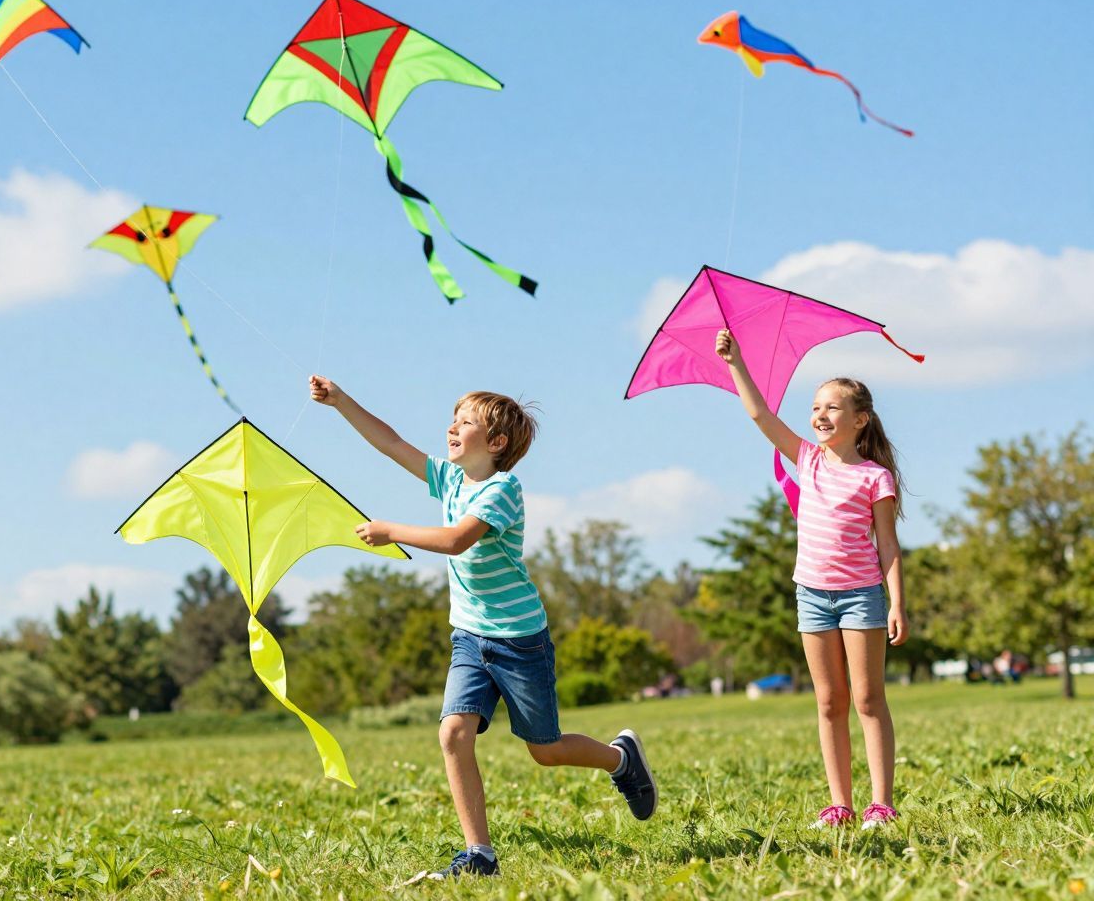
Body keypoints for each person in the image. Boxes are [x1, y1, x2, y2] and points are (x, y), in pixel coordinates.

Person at [309, 377, 657, 879]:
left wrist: (391, 531)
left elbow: (457, 540)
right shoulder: (449, 480)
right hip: (469, 638)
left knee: (547, 750)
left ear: (496, 444)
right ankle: (480, 855)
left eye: (466, 421)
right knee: (453, 733)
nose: (452, 427)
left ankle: (620, 760)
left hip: (519, 640)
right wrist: (341, 402)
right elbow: (389, 442)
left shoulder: (503, 489)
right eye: (454, 417)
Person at [715, 330, 907, 830]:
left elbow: (887, 545)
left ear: (860, 419)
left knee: (867, 699)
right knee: (829, 701)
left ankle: (881, 804)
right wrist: (736, 361)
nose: (820, 415)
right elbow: (759, 414)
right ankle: (840, 804)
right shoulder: (809, 459)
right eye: (816, 406)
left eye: (832, 408)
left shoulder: (875, 477)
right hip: (812, 597)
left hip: (862, 596)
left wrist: (896, 603)